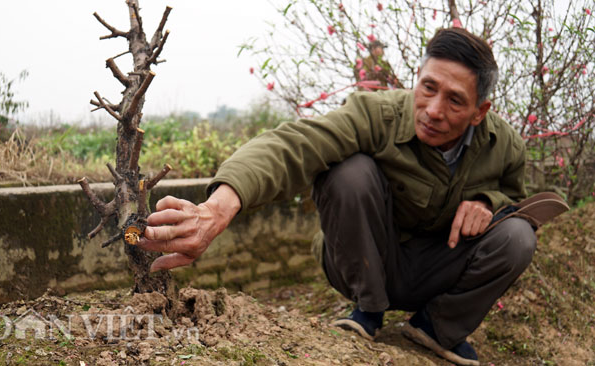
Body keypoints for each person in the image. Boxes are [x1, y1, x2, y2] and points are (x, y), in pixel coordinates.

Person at [137, 28, 537, 366]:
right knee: (347, 171)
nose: (433, 110)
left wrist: (488, 202)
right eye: (427, 88)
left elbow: (519, 203)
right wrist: (217, 208)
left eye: (454, 100)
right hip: (366, 262)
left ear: (480, 111)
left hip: (437, 270)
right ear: (417, 79)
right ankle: (368, 311)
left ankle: (435, 328)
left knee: (518, 236)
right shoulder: (376, 114)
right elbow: (295, 144)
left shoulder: (504, 147)